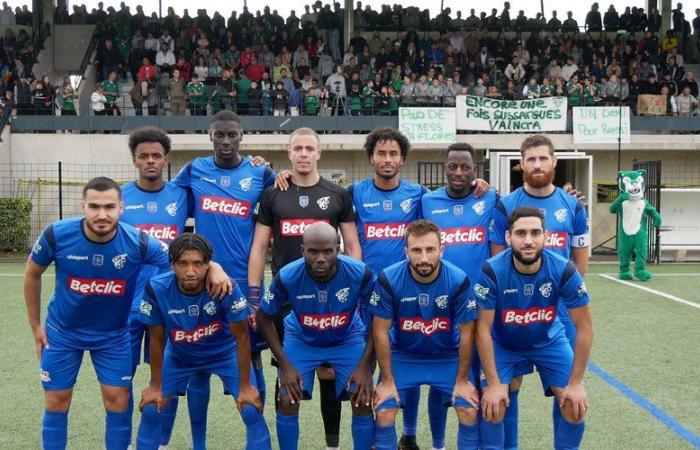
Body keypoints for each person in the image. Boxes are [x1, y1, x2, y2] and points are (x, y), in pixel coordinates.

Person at [24, 177, 231, 450]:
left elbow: (180, 260)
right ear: (82, 206)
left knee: (118, 400)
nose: (101, 214)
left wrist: (213, 266)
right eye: (94, 207)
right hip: (63, 333)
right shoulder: (56, 234)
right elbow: (32, 275)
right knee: (57, 400)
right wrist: (36, 326)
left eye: (109, 207)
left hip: (113, 335)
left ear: (121, 207)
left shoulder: (138, 242)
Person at [248, 127, 361, 449]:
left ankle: (332, 442)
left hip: (333, 297)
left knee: (330, 372)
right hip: (287, 299)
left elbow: (352, 246)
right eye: (297, 148)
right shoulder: (273, 194)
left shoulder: (337, 194)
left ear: (319, 153)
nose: (303, 154)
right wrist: (255, 294)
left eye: (309, 148)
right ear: (289, 153)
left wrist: (351, 292)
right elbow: (258, 248)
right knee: (286, 375)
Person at [172, 110, 276, 449]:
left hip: (245, 284)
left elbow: (284, 198)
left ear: (242, 135)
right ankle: (198, 443)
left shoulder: (260, 173)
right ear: (210, 136)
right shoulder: (194, 170)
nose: (226, 141)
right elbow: (169, 200)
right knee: (200, 360)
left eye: (232, 134)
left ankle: (256, 437)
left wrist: (282, 170)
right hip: (201, 282)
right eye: (220, 135)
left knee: (253, 356)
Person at [489, 134, 590, 450]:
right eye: (530, 159)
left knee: (569, 398)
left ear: (554, 161)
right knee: (508, 390)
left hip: (558, 314)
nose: (537, 164)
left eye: (543, 158)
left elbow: (580, 264)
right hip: (511, 315)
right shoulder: (505, 205)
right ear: (520, 165)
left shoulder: (573, 205)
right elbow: (497, 262)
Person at [139, 233, 272, 450]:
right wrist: (155, 385)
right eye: (183, 264)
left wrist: (246, 386)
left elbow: (242, 338)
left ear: (208, 265)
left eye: (198, 264)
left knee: (250, 408)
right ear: (172, 264)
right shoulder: (156, 289)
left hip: (223, 354)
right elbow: (156, 338)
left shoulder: (226, 288)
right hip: (180, 356)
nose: (190, 271)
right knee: (151, 407)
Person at [475, 207, 593, 449]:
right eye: (520, 233)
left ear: (545, 236)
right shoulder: (491, 270)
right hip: (503, 344)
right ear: (508, 237)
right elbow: (483, 330)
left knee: (574, 406)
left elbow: (584, 327)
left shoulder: (564, 269)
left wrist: (577, 382)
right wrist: (495, 385)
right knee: (493, 406)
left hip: (549, 341)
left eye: (535, 233)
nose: (528, 240)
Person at [256, 222, 376, 450]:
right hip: (302, 338)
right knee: (287, 398)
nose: (320, 258)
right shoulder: (288, 275)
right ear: (303, 251)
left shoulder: (360, 273)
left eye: (327, 251)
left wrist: (365, 365)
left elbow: (380, 317)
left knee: (362, 397)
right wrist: (285, 364)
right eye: (313, 251)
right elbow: (263, 317)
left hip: (346, 338)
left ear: (338, 250)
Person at [370, 220, 480, 450]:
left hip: (446, 356)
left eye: (430, 249)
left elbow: (467, 333)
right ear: (406, 251)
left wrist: (462, 380)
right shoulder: (389, 279)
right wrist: (387, 381)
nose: (423, 258)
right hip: (404, 356)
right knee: (384, 411)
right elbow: (380, 331)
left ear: (442, 249)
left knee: (469, 409)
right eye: (416, 250)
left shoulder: (458, 279)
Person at [120, 127, 189, 449]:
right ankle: (127, 439)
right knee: (123, 375)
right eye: (144, 156)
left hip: (168, 302)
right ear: (134, 160)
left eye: (156, 156)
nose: (150, 161)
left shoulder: (180, 193)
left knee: (168, 375)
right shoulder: (119, 198)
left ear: (166, 159)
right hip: (126, 303)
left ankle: (160, 442)